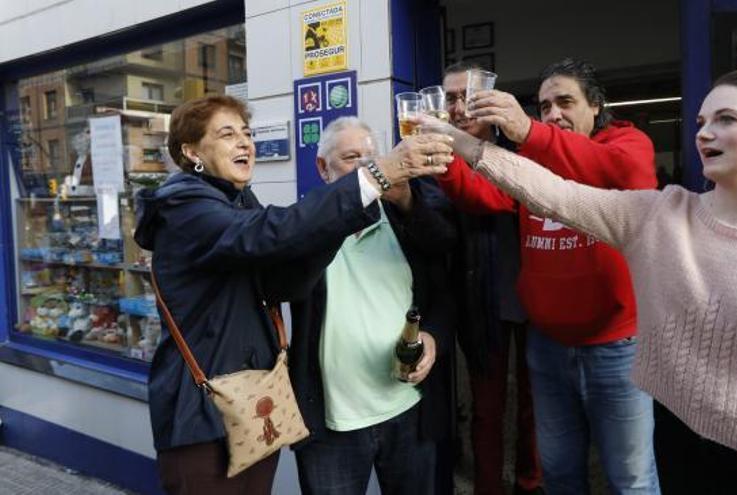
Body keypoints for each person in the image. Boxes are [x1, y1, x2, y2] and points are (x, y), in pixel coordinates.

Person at [426, 66, 737, 494]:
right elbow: (552, 193)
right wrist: (453, 139)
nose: (704, 132)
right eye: (701, 121)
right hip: (681, 453)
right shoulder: (662, 214)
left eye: (727, 119)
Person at [134, 95, 452, 494]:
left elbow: (283, 277)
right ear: (191, 151)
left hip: (253, 404)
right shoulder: (184, 204)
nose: (245, 143)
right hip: (205, 414)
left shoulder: (236, 200)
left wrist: (348, 214)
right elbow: (269, 235)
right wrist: (377, 175)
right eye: (227, 134)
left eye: (247, 133)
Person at [436, 58, 659, 493]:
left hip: (616, 345)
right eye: (543, 107)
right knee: (558, 473)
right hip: (549, 345)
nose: (553, 114)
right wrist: (443, 156)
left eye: (565, 102)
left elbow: (624, 174)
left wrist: (530, 133)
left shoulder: (626, 143)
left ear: (595, 107)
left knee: (629, 478)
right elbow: (486, 195)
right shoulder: (534, 159)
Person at [287, 117, 458, 495]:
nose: (368, 166)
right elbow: (284, 276)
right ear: (323, 168)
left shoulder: (403, 217)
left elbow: (444, 275)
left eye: (372, 156)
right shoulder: (307, 222)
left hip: (408, 411)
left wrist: (432, 339)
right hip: (333, 426)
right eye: (351, 158)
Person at [442, 61, 543, 495]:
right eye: (450, 98)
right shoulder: (434, 155)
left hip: (536, 300)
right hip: (478, 300)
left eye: (468, 95)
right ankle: (487, 486)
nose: (460, 106)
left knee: (534, 405)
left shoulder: (525, 148)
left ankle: (530, 482)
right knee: (486, 406)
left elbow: (508, 199)